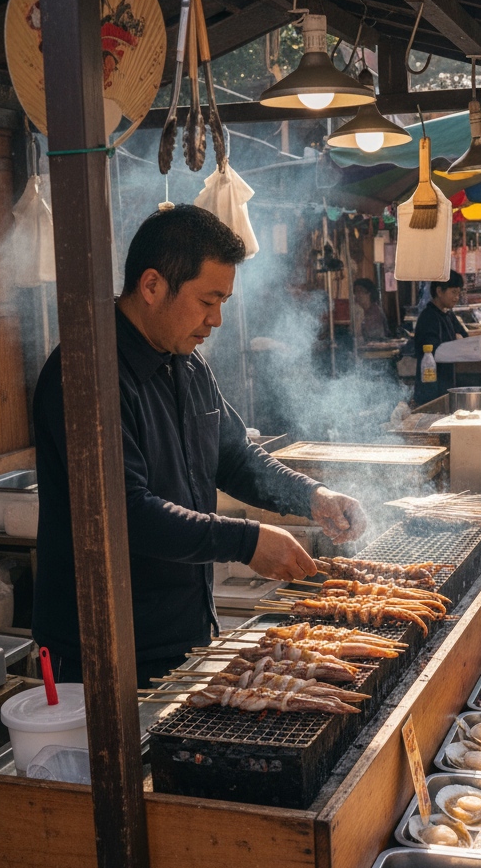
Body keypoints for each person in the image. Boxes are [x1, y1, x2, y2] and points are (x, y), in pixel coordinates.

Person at [33, 205, 367, 686]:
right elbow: (125, 512)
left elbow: (234, 456)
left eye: (224, 302)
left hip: (186, 632)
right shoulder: (85, 373)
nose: (217, 320)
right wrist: (246, 540)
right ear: (152, 286)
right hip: (102, 654)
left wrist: (311, 496)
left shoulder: (186, 363)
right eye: (208, 300)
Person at [413, 270, 468, 403]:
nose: (457, 297)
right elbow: (433, 350)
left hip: (446, 383)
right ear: (439, 291)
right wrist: (456, 340)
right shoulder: (429, 317)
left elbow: (464, 335)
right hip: (431, 388)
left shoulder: (448, 314)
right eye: (453, 292)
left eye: (459, 293)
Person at [352, 277, 388, 343]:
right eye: (355, 291)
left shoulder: (375, 311)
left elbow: (373, 336)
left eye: (360, 291)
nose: (357, 295)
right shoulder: (358, 310)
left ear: (369, 293)